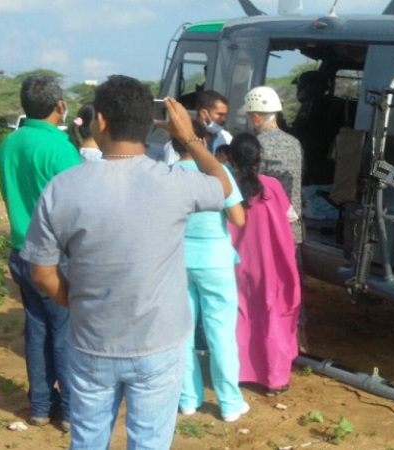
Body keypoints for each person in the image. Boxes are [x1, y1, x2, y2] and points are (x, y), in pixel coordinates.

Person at [20, 75, 233, 450]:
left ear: (100, 120)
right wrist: (190, 138)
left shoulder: (64, 187)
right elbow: (223, 186)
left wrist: (81, 303)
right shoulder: (175, 183)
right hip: (159, 342)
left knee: (87, 440)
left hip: (91, 342)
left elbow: (41, 272)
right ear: (149, 123)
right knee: (149, 442)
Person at [0, 74, 80, 431]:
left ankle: (41, 407)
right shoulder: (61, 149)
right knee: (64, 330)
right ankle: (72, 412)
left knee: (37, 328)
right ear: (60, 106)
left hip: (19, 248)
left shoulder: (8, 144)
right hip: (55, 253)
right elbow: (79, 206)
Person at [170, 121, 248, 421]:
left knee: (183, 333)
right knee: (221, 334)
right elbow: (238, 218)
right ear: (200, 140)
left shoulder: (167, 175)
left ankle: (188, 399)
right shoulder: (216, 172)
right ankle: (229, 403)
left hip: (177, 262)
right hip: (215, 260)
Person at [226, 132, 301, 397]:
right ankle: (275, 378)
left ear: (231, 158)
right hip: (272, 265)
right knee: (273, 316)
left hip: (237, 265)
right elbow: (291, 217)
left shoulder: (227, 186)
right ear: (260, 156)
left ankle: (240, 373)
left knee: (240, 315)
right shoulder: (272, 186)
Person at [241, 86, 309, 353]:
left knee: (263, 285)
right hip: (291, 227)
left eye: (250, 116)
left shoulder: (257, 146)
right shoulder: (295, 143)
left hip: (264, 230)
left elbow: (252, 189)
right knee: (292, 282)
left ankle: (265, 341)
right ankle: (299, 337)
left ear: (256, 117)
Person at [163, 89, 232, 164]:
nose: (223, 119)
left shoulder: (227, 139)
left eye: (225, 115)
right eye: (220, 114)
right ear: (203, 113)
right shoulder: (179, 142)